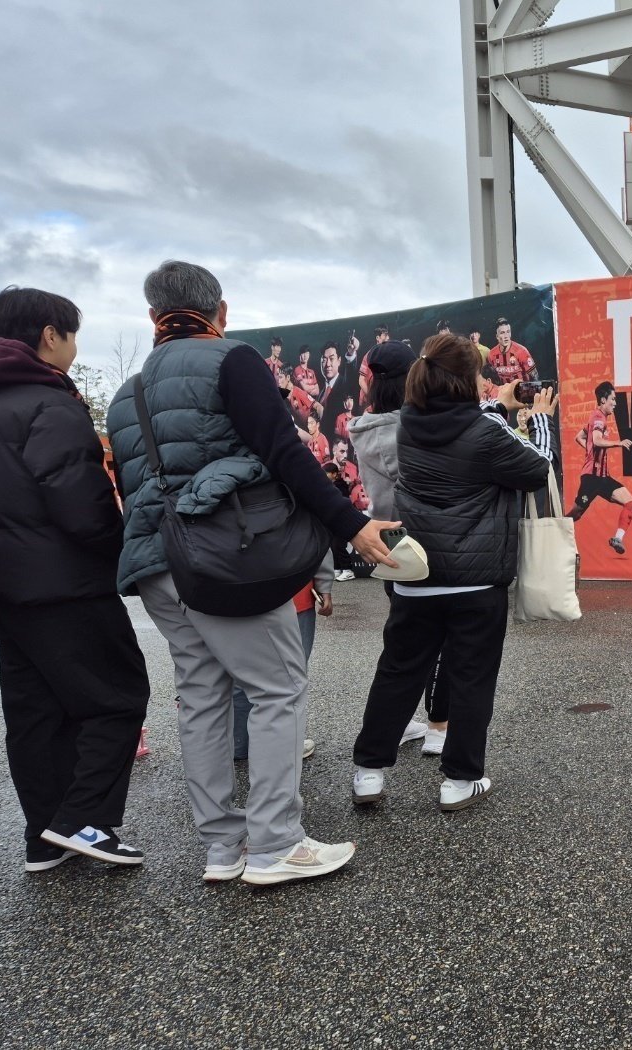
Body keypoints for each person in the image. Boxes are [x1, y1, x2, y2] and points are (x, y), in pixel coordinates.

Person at [107, 260, 400, 885]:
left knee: (201, 695)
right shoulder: (231, 360)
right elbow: (283, 451)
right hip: (222, 559)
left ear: (153, 316)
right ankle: (275, 844)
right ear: (221, 311)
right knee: (276, 687)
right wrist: (350, 527)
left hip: (158, 563)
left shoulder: (125, 393)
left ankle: (223, 848)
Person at [0, 286, 151, 871]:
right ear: (48, 336)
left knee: (35, 709)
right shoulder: (51, 405)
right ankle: (82, 821)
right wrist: (116, 549)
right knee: (117, 696)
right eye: (71, 334)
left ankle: (43, 836)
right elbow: (81, 503)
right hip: (63, 582)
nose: (71, 346)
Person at [351, 333, 556, 812]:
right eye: (481, 375)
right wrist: (540, 420)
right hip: (477, 581)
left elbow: (466, 437)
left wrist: (495, 411)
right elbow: (536, 468)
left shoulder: (406, 427)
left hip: (416, 577)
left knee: (397, 674)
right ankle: (460, 780)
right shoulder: (485, 430)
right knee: (471, 679)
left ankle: (368, 773)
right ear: (468, 380)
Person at [348, 340, 448, 758]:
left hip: (392, 548)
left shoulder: (362, 432)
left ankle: (395, 729)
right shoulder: (423, 428)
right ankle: (440, 729)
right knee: (447, 641)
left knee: (403, 646)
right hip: (436, 544)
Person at [232, 554, 334, 762]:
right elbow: (316, 537)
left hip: (234, 590)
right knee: (289, 678)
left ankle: (239, 743)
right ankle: (282, 745)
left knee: (240, 675)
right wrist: (324, 585)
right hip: (292, 592)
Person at [568, 381, 632, 554]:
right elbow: (597, 440)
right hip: (591, 478)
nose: (615, 403)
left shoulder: (598, 417)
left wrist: (590, 448)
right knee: (575, 515)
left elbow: (579, 436)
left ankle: (618, 539)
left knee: (630, 502)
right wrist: (619, 443)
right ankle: (552, 530)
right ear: (603, 399)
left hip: (603, 477)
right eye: (613, 399)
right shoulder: (598, 417)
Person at [487, 317, 538, 384]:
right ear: (497, 336)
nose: (506, 336)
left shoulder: (521, 351)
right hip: (503, 392)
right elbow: (492, 377)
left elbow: (535, 376)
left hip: (521, 391)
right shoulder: (492, 354)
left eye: (508, 332)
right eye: (502, 333)